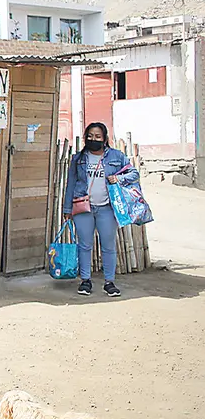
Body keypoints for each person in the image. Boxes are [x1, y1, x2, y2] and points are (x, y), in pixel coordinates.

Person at [63, 122, 138, 297]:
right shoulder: (78, 159)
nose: (93, 139)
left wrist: (118, 179)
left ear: (104, 139)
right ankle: (85, 281)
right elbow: (71, 184)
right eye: (90, 136)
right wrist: (67, 209)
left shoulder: (116, 157)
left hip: (107, 208)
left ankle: (109, 282)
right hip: (83, 207)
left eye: (97, 136)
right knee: (84, 245)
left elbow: (134, 173)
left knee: (108, 246)